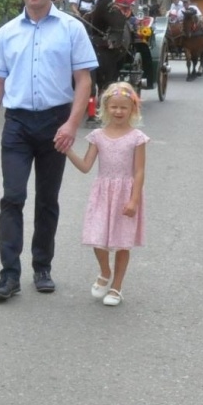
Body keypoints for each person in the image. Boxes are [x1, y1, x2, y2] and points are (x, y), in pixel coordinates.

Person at [0, 0, 97, 299]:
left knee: (47, 200)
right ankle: (9, 274)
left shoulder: (71, 28)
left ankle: (42, 266)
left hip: (55, 122)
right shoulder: (7, 32)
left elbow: (84, 81)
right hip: (17, 124)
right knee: (12, 197)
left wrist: (71, 125)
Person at [65, 81, 148, 307]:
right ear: (105, 107)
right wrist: (67, 150)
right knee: (97, 237)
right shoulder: (97, 135)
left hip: (125, 195)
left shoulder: (137, 137)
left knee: (122, 243)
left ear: (132, 109)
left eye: (123, 107)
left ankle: (117, 286)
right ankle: (104, 271)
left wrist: (134, 200)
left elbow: (139, 171)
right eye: (114, 107)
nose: (118, 111)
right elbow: (85, 166)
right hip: (103, 193)